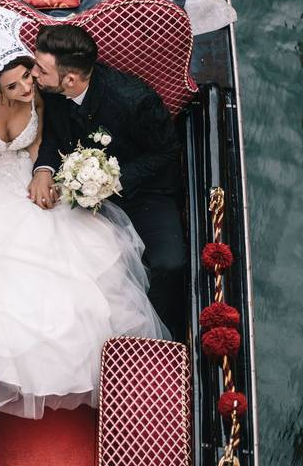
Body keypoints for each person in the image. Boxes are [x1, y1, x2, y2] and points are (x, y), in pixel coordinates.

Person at [0, 54, 169, 419]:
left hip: (21, 175)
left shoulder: (36, 95)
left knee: (70, 242)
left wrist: (42, 173)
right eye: (14, 86)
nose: (26, 87)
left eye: (27, 77)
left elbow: (37, 142)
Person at [27, 24, 186, 339]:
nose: (33, 74)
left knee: (170, 264)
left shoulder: (134, 100)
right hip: (78, 195)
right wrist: (43, 168)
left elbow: (167, 152)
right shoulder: (53, 93)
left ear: (70, 79)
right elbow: (55, 135)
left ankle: (152, 341)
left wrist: (110, 181)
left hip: (144, 194)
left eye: (41, 70)